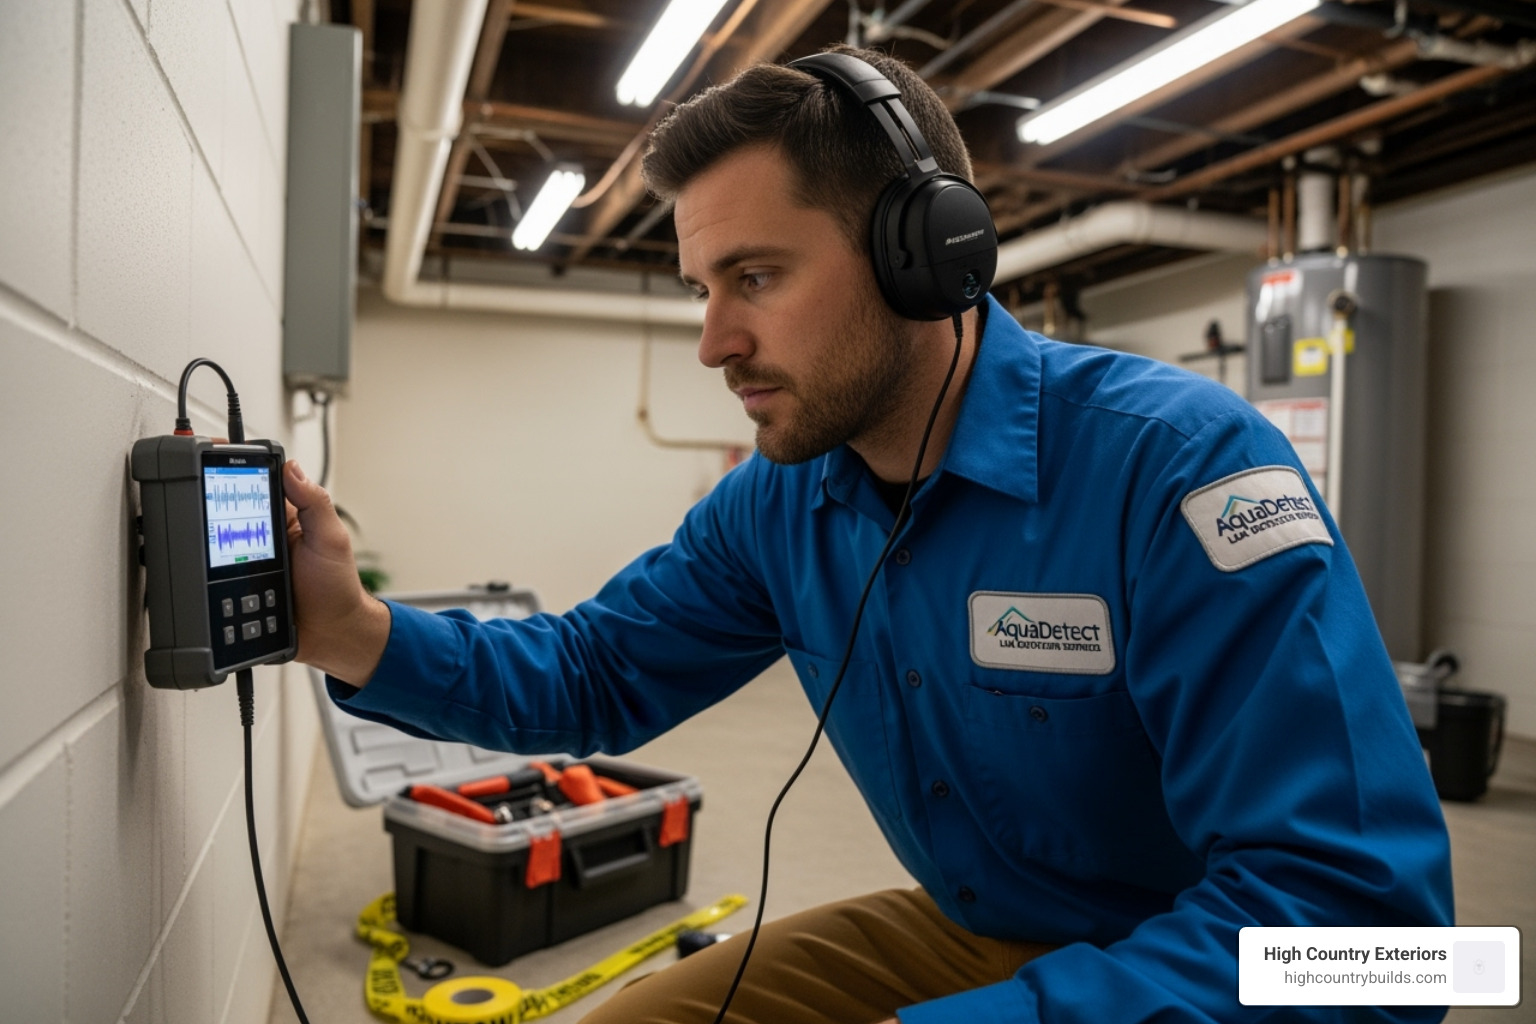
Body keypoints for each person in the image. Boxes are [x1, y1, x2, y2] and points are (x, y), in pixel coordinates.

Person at [284, 45, 1453, 1024]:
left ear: (924, 254)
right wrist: (354, 632)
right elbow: (593, 668)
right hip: (986, 927)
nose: (715, 343)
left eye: (756, 275)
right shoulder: (779, 501)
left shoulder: (1178, 467)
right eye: (703, 289)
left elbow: (1379, 935)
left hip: (1203, 965)